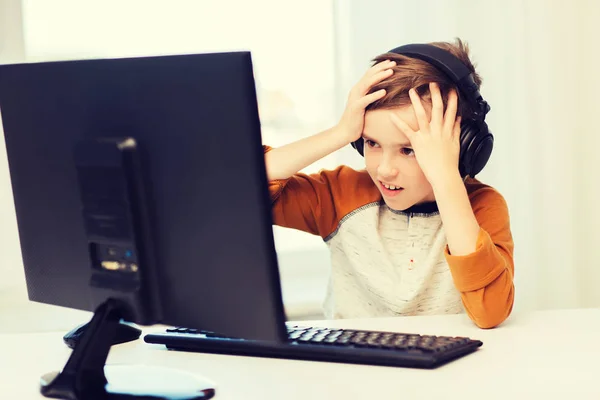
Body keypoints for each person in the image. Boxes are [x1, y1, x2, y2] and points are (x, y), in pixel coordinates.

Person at [263, 38, 514, 329]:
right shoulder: (339, 194)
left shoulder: (482, 207)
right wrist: (340, 132)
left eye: (408, 150)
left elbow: (491, 311)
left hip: (446, 371)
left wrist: (446, 179)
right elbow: (239, 189)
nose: (384, 169)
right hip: (352, 366)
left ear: (463, 147)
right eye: (372, 143)